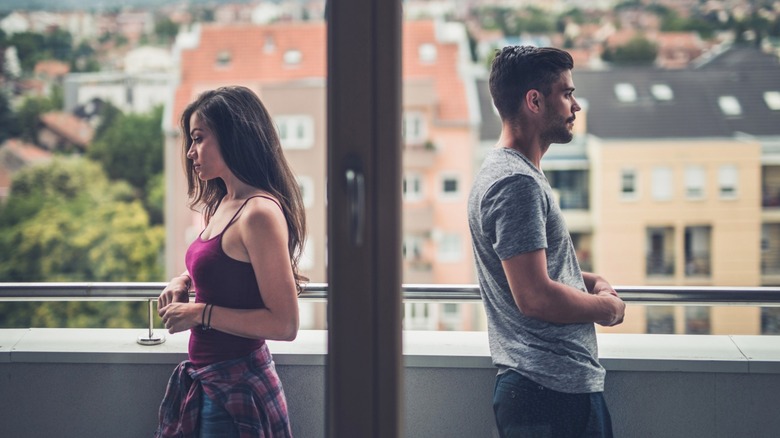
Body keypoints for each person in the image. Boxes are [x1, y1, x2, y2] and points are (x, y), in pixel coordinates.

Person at [467, 46, 626, 438]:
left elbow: (531, 269)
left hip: (547, 391)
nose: (576, 106)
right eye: (567, 94)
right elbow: (534, 295)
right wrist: (605, 310)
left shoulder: (513, 173)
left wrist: (589, 280)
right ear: (534, 100)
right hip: (549, 395)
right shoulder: (515, 184)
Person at [155, 85, 306, 438]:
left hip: (237, 388)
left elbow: (285, 324)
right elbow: (226, 266)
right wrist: (185, 279)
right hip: (212, 383)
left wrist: (198, 313)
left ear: (233, 136)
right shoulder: (224, 202)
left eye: (199, 138)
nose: (191, 152)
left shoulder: (259, 213)